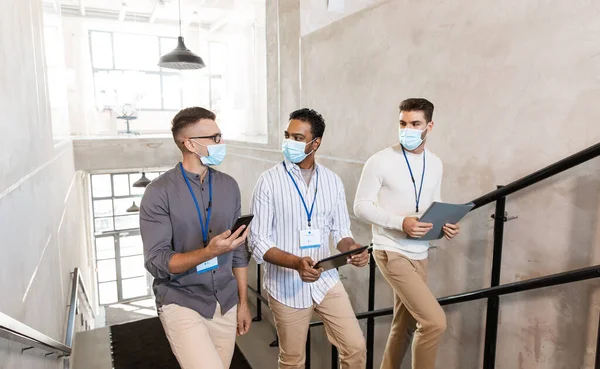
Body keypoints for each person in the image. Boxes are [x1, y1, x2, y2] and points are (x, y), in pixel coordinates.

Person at [249, 108, 369, 369]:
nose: (289, 142)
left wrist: (353, 249)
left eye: (298, 138)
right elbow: (257, 240)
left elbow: (340, 232)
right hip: (286, 286)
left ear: (316, 143)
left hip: (326, 281)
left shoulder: (332, 181)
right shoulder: (268, 181)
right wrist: (296, 263)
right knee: (293, 360)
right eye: (287, 135)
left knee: (356, 348)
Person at [140, 107, 251, 369]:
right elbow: (156, 261)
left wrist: (243, 302)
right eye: (214, 138)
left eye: (220, 136)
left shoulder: (229, 185)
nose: (221, 143)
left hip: (225, 300)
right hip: (181, 300)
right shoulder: (158, 193)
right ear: (189, 143)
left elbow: (238, 251)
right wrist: (208, 252)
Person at [353, 98, 460, 369]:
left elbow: (432, 204)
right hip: (391, 250)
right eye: (403, 123)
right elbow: (360, 206)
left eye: (415, 123)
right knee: (434, 322)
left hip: (420, 252)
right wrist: (401, 223)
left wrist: (444, 224)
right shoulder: (379, 161)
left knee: (404, 325)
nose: (407, 129)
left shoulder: (435, 163)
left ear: (430, 126)